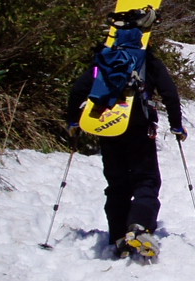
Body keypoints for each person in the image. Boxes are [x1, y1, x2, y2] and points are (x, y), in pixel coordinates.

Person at [67, 41, 186, 260]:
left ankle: (117, 236)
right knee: (147, 180)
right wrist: (177, 126)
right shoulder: (149, 62)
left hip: (108, 127)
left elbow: (78, 90)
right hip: (140, 128)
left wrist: (73, 122)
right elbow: (169, 93)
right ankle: (139, 226)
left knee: (117, 184)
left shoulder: (103, 61)